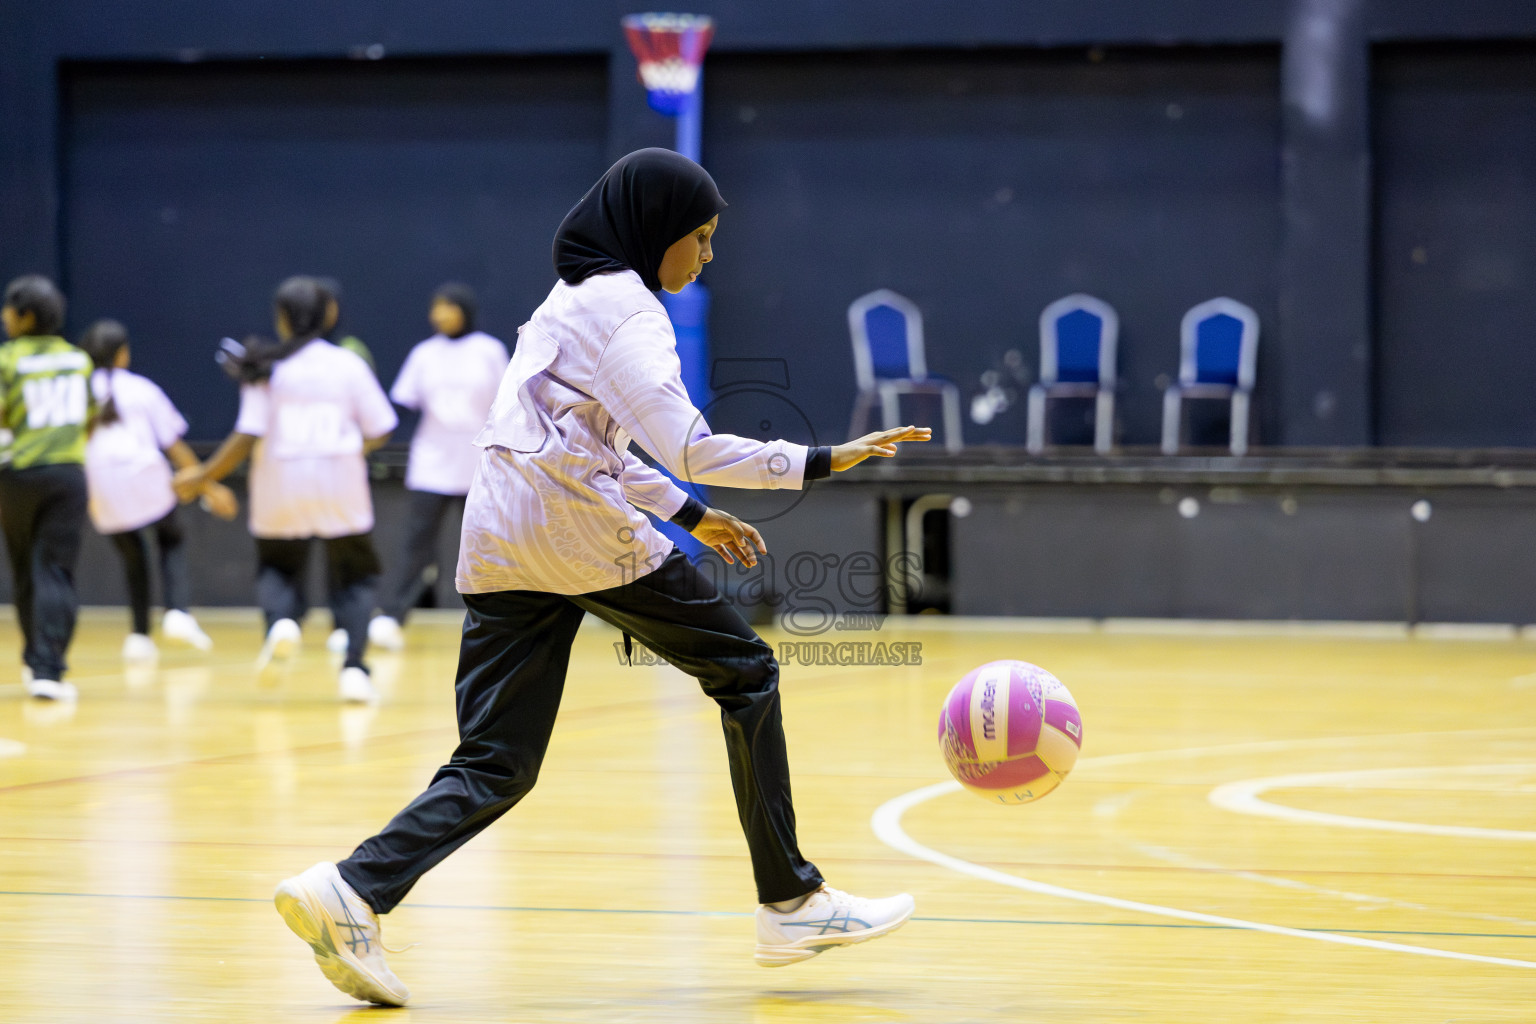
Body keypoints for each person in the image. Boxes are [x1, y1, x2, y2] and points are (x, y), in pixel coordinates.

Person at [272, 149, 931, 1007]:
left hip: (501, 532)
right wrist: (818, 460)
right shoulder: (634, 316)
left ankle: (351, 889)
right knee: (748, 672)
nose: (707, 255)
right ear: (657, 232)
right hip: (574, 531)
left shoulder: (570, 301)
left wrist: (691, 518)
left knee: (496, 759)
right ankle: (792, 901)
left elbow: (595, 439)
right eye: (700, 237)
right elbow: (689, 447)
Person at [174, 276, 397, 702]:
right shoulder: (347, 364)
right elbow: (382, 427)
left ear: (280, 318)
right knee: (354, 578)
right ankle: (353, 667)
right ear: (329, 314)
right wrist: (350, 447)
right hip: (340, 482)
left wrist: (203, 475)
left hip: (280, 484)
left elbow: (246, 434)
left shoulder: (265, 368)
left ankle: (281, 623)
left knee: (278, 569)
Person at [79, 319, 237, 660]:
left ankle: (138, 636)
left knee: (133, 557)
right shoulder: (141, 389)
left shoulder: (79, 393)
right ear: (122, 354)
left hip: (100, 482)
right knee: (171, 540)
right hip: (144, 474)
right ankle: (178, 612)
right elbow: (175, 448)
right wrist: (209, 487)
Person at [366, 283, 509, 651]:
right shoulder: (424, 354)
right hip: (431, 463)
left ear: (465, 309)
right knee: (416, 544)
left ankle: (497, 619)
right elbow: (404, 400)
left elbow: (509, 402)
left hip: (479, 461)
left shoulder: (489, 351)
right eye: (436, 308)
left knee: (485, 543)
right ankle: (390, 617)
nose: (440, 315)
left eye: (448, 307)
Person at [0, 275, 94, 701]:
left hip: (17, 474)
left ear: (26, 316)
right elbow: (90, 415)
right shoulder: (78, 360)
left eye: (9, 309)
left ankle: (33, 659)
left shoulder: (8, 359)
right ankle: (49, 668)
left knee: (24, 568)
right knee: (54, 569)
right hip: (68, 475)